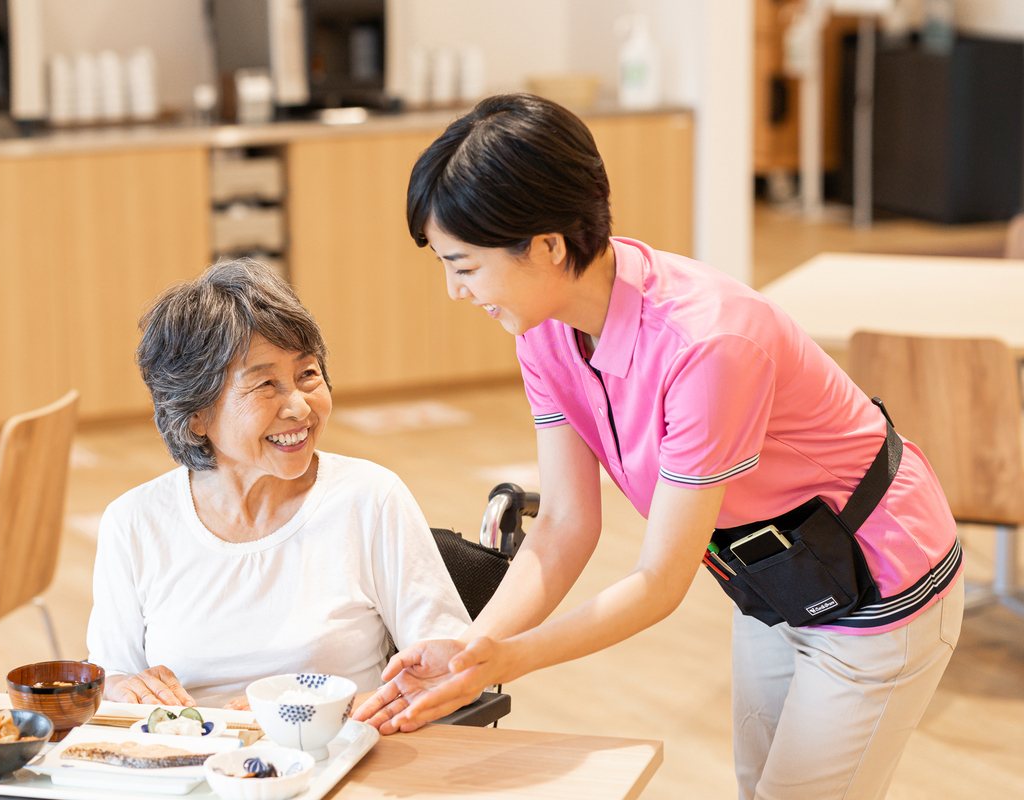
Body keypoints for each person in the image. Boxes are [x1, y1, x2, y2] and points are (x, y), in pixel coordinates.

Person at [353, 94, 963, 800]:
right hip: (772, 574)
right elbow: (564, 524)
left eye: (464, 266)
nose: (455, 291)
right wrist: (468, 652)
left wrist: (503, 662)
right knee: (758, 784)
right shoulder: (544, 327)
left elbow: (658, 582)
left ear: (549, 246)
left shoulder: (708, 346)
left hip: (878, 580)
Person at [86, 258, 470, 709]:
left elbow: (453, 675)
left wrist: (307, 710)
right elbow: (113, 676)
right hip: (190, 767)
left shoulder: (370, 498)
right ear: (195, 415)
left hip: (339, 759)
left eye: (307, 374)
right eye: (265, 384)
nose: (300, 408)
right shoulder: (134, 522)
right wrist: (120, 688)